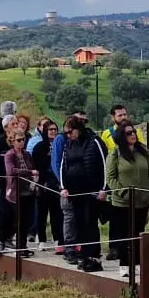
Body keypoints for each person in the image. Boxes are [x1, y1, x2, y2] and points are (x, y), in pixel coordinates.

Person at [106, 122, 149, 268]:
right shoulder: (115, 154)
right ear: (122, 136)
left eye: (133, 131)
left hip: (142, 202)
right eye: (128, 133)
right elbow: (110, 178)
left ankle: (137, 262)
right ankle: (124, 265)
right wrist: (123, 193)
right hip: (122, 203)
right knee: (123, 235)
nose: (133, 135)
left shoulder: (143, 151)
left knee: (139, 232)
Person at [60, 116, 107, 272]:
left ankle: (93, 257)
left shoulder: (95, 142)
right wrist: (63, 187)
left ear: (77, 129)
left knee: (90, 222)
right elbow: (63, 166)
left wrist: (103, 188)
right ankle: (84, 255)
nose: (68, 135)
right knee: (79, 223)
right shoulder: (69, 144)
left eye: (69, 132)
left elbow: (104, 164)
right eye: (65, 133)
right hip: (75, 191)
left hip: (91, 189)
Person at [52, 110, 87, 258]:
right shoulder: (61, 140)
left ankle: (78, 245)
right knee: (68, 216)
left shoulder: (84, 140)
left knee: (78, 216)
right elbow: (57, 162)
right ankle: (69, 246)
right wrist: (62, 184)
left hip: (80, 185)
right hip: (66, 185)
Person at [1, 128, 39, 257]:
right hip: (16, 193)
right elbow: (11, 171)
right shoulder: (9, 155)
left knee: (26, 222)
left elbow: (33, 167)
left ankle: (23, 246)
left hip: (28, 192)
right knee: (17, 221)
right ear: (12, 141)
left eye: (23, 140)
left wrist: (33, 175)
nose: (21, 142)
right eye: (19, 140)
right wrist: (29, 173)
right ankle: (11, 243)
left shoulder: (27, 154)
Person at [33, 119, 63, 251]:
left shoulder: (61, 145)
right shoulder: (39, 147)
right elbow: (36, 165)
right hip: (43, 183)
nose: (53, 132)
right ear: (45, 131)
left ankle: (58, 239)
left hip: (56, 184)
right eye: (50, 130)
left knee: (57, 213)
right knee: (42, 213)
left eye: (55, 130)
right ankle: (42, 239)